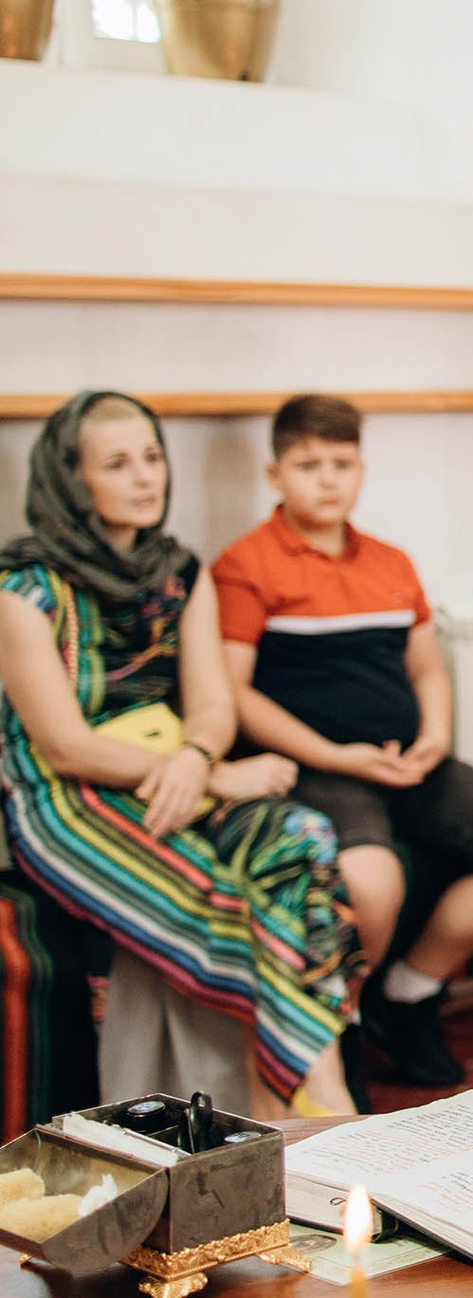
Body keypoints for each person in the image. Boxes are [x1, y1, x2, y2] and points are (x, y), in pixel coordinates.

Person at [0, 391, 358, 1117]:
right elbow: (62, 744)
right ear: (72, 480)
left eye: (153, 457)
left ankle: (304, 1100)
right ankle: (314, 1108)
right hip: (68, 798)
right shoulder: (22, 588)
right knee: (227, 899)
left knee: (301, 838)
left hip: (180, 773)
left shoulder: (180, 571)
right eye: (118, 463)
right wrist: (215, 772)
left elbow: (214, 704)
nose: (146, 477)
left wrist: (198, 754)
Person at [213, 394, 473, 1093]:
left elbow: (426, 667)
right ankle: (332, 1029)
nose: (327, 479)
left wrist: (435, 735)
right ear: (274, 472)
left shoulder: (390, 562)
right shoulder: (246, 565)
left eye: (341, 463)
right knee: (374, 883)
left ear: (361, 469)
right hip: (320, 767)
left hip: (406, 757)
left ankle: (406, 995)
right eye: (308, 464)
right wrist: (332, 754)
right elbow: (236, 694)